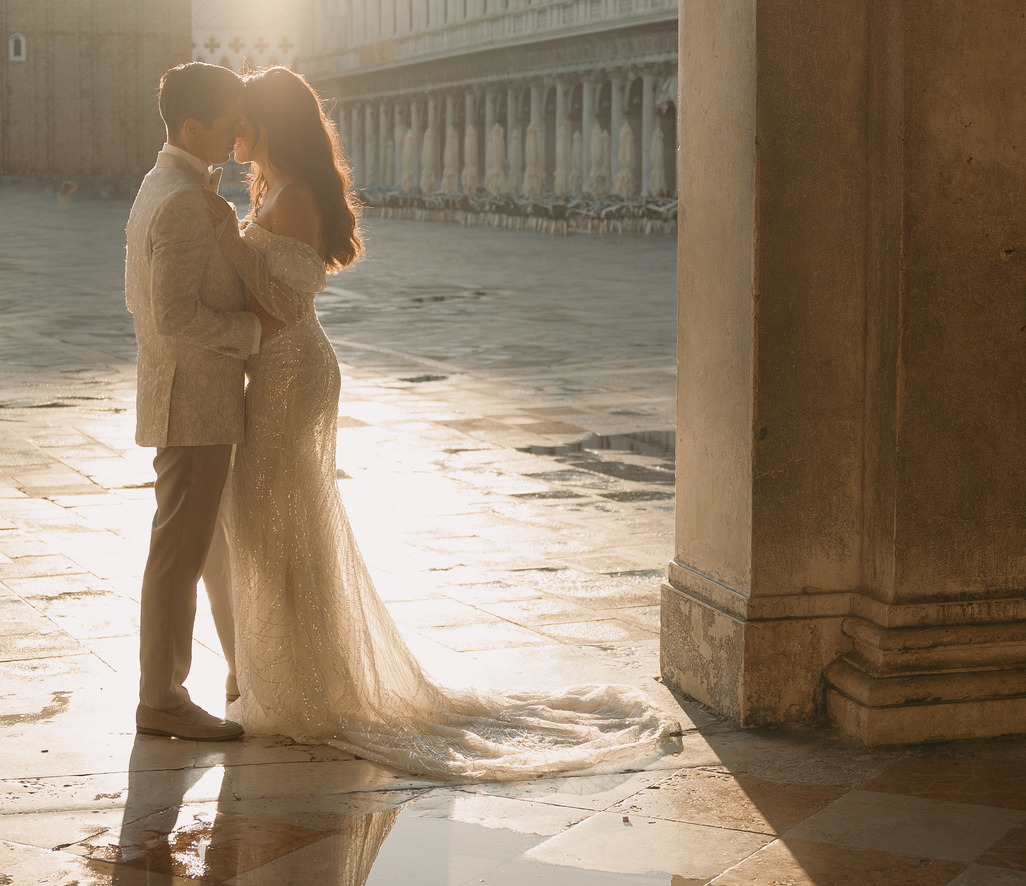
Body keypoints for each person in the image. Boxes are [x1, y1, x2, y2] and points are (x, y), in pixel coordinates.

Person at [196, 66, 674, 781]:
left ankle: (305, 682)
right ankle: (283, 671)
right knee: (267, 522)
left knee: (280, 521)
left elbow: (282, 306)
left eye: (241, 120)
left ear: (266, 123)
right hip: (277, 372)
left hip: (291, 374)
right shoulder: (273, 190)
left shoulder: (293, 199)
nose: (232, 131)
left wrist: (226, 239)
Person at [124, 63, 283, 742]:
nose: (237, 131)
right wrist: (251, 332)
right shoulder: (184, 199)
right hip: (195, 399)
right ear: (194, 128)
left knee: (202, 550)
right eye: (228, 121)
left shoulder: (161, 183)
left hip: (183, 394)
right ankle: (162, 695)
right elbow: (174, 314)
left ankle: (234, 671)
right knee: (180, 554)